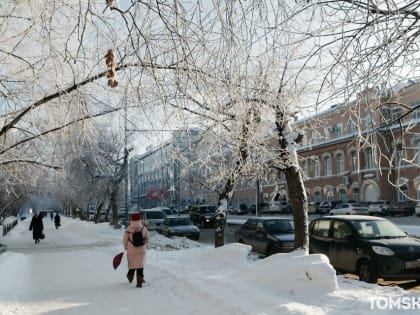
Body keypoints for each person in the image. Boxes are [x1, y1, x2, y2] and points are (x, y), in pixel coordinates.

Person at [123, 213, 150, 288]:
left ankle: (130, 277)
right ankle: (139, 282)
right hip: (141, 250)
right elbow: (147, 237)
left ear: (131, 220)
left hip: (131, 250)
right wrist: (145, 243)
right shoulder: (143, 228)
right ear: (139, 219)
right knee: (140, 266)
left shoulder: (128, 229)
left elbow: (125, 240)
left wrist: (126, 247)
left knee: (132, 265)